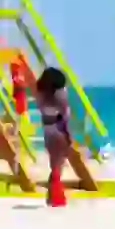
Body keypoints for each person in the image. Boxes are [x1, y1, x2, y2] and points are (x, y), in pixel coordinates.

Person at [35, 66, 71, 207]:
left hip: (47, 128)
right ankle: (55, 195)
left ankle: (52, 195)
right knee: (58, 164)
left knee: (54, 163)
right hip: (58, 127)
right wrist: (68, 133)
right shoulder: (59, 95)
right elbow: (65, 114)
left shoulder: (41, 95)